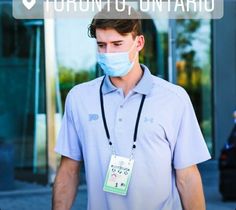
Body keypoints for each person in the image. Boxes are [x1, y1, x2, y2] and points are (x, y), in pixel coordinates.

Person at [52, 4, 211, 210]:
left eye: (117, 43)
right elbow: (68, 171)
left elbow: (187, 177)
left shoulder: (174, 99)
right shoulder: (79, 98)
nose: (108, 52)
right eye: (101, 45)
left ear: (139, 43)